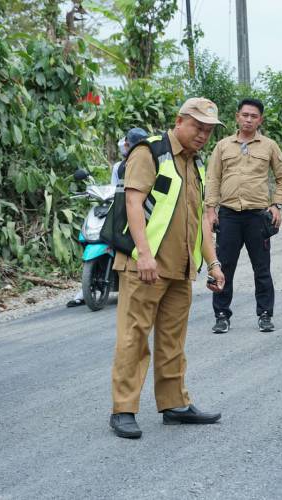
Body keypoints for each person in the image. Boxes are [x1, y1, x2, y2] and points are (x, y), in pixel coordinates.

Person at [108, 98, 226, 439]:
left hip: (181, 267)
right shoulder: (149, 152)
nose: (203, 134)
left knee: (173, 339)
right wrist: (143, 255)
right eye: (197, 127)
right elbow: (133, 202)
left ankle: (174, 404)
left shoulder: (196, 163)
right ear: (179, 121)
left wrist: (213, 263)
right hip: (145, 266)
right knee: (134, 338)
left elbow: (202, 218)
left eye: (208, 130)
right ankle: (123, 409)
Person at [205, 98, 282, 334]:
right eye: (245, 115)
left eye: (254, 116)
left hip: (257, 216)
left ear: (260, 119)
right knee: (225, 267)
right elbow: (213, 179)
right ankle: (221, 315)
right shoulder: (223, 146)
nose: (248, 119)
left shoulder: (269, 146)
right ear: (237, 117)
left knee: (261, 268)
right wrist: (211, 210)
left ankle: (265, 314)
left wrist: (277, 205)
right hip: (229, 216)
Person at [66, 127, 148, 308]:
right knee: (88, 237)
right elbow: (113, 189)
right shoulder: (118, 167)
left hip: (137, 210)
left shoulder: (148, 164)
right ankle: (86, 286)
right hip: (119, 208)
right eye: (132, 144)